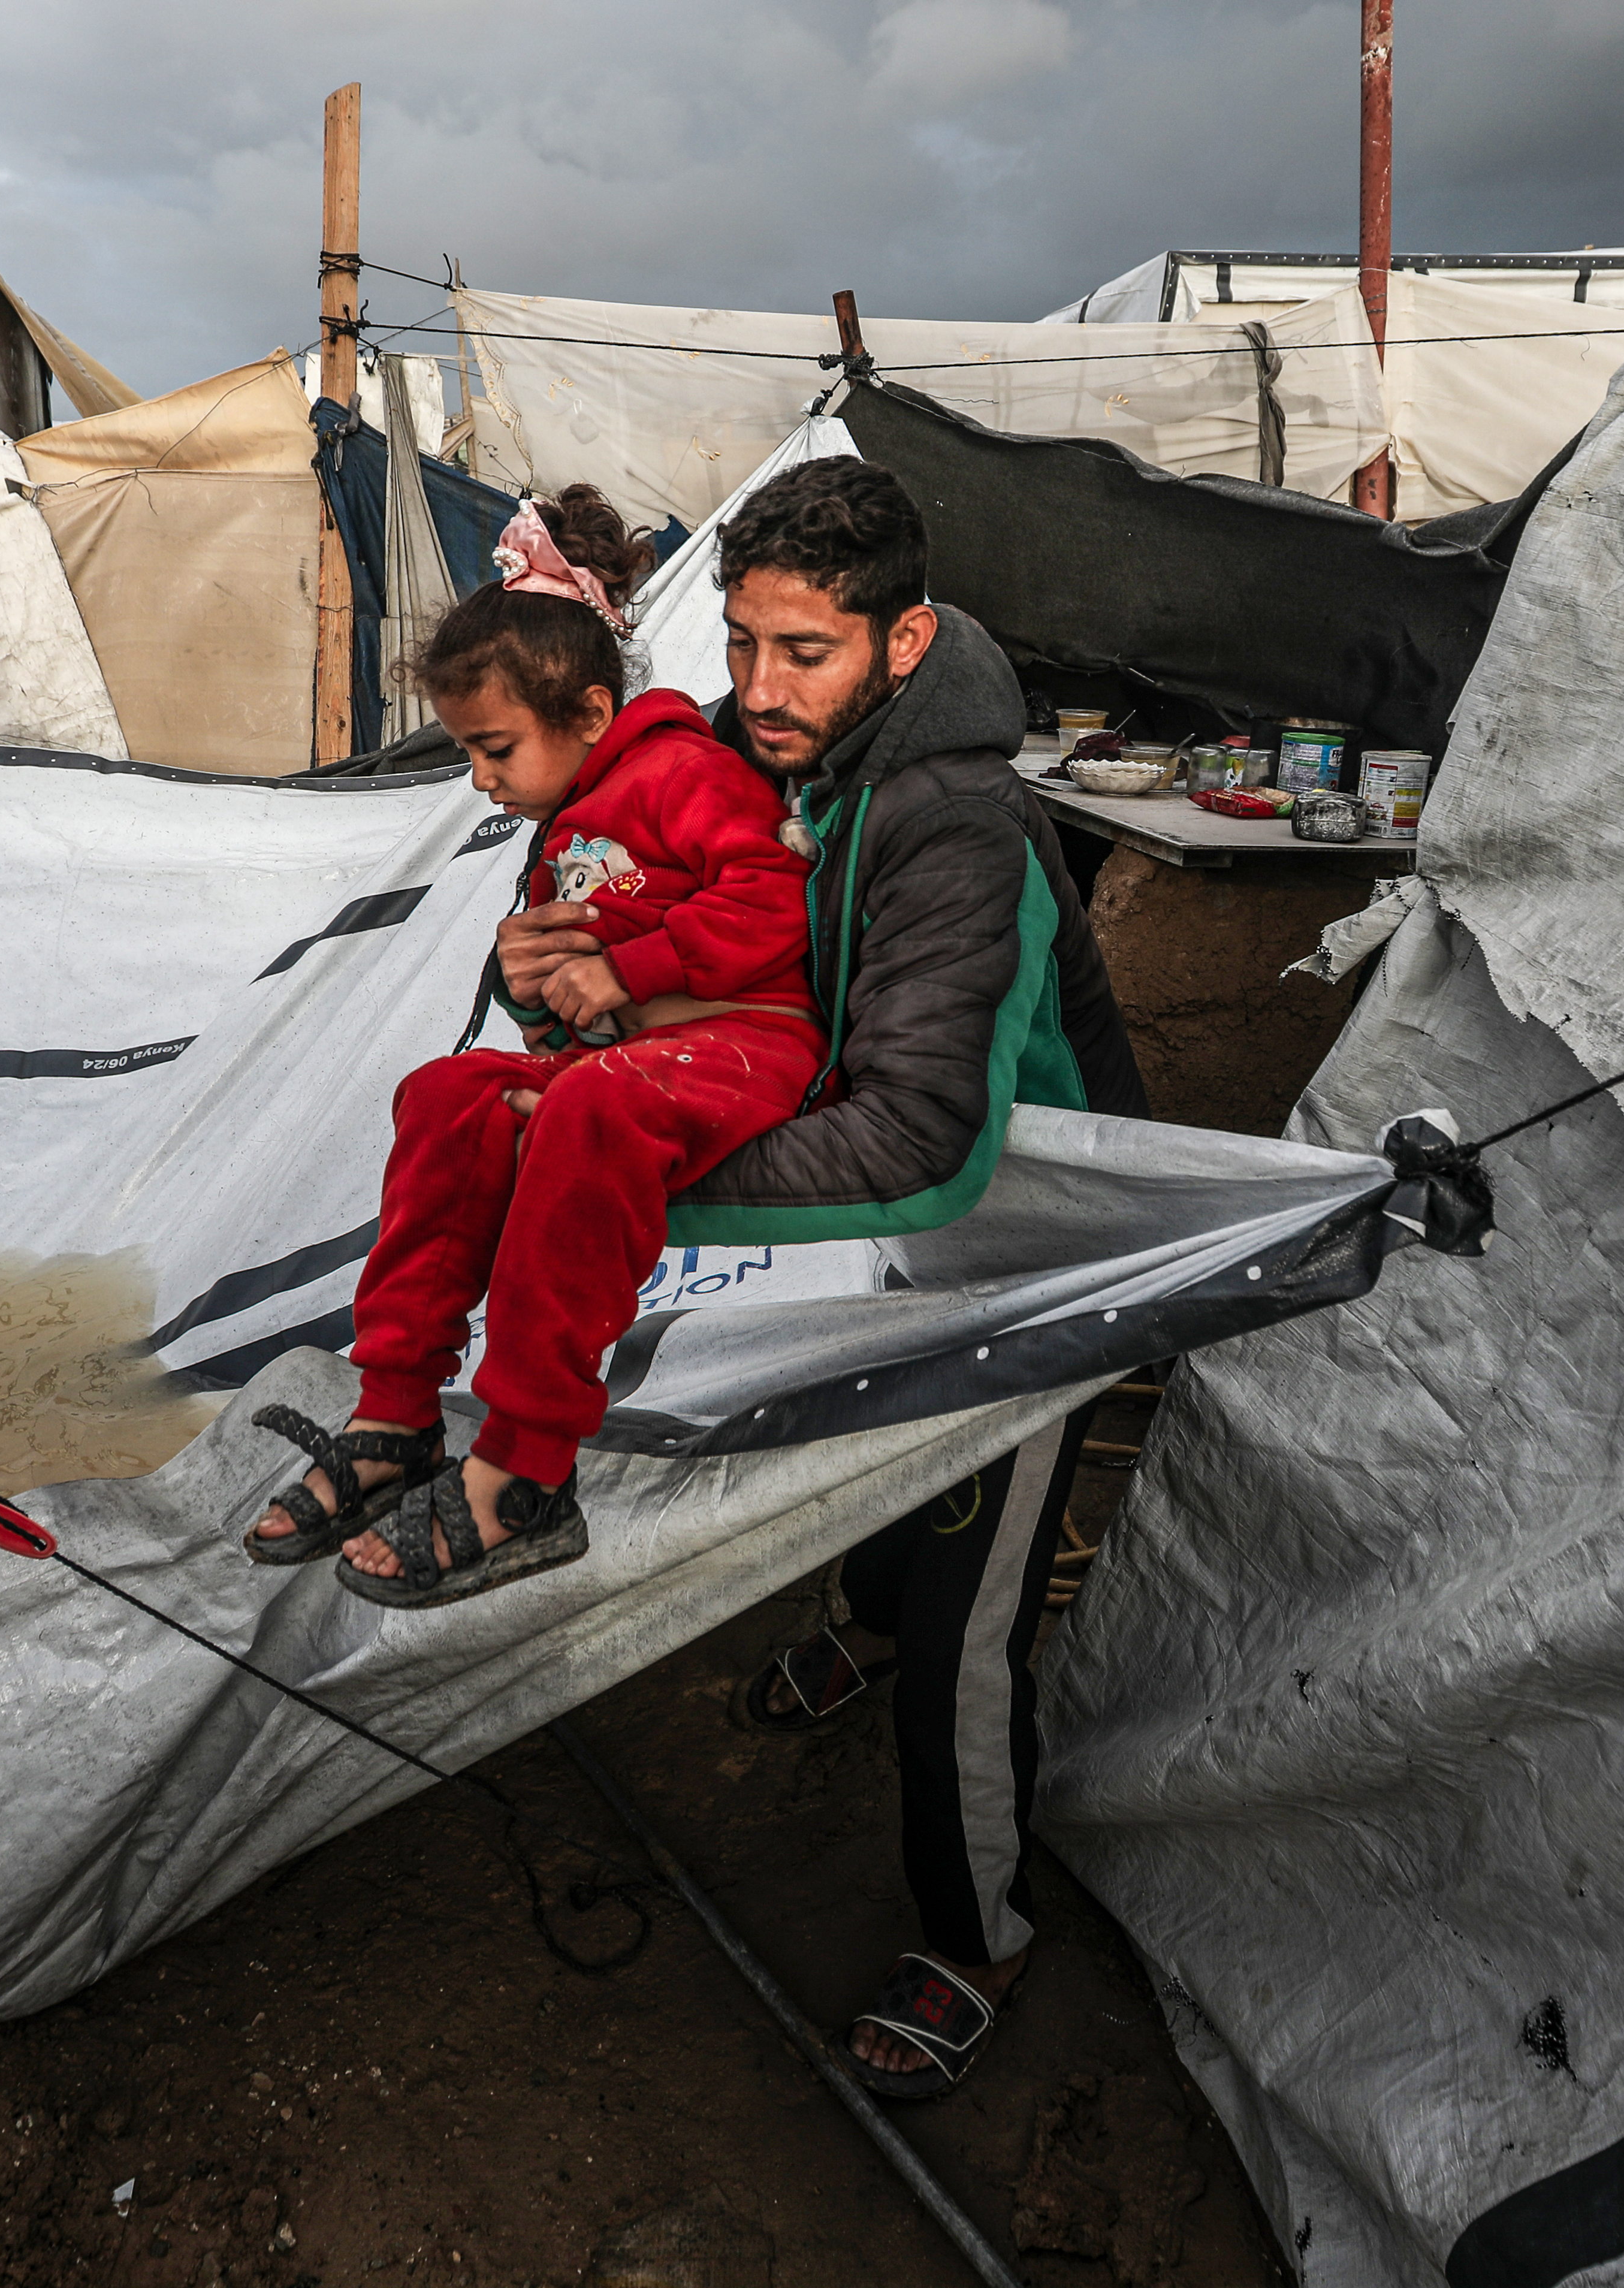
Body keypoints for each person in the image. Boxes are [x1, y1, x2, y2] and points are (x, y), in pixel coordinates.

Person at [496, 457, 1146, 2099]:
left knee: (971, 1618)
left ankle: (976, 1927)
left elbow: (929, 1143)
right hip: (874, 1219)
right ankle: (859, 1620)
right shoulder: (753, 763)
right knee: (863, 1459)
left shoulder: (962, 825)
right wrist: (576, 971)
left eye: (808, 653)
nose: (760, 689)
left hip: (1023, 1258)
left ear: (905, 641)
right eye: (741, 643)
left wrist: (620, 1163)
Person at [242, 484, 825, 1609]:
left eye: (495, 748)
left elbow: (777, 902)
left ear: (596, 712)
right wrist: (549, 993)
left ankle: (527, 1464)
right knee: (444, 1094)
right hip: (633, 1053)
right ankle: (396, 1409)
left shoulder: (686, 774)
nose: (480, 778)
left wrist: (628, 970)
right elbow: (571, 1002)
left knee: (585, 1109)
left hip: (746, 1043)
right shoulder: (575, 814)